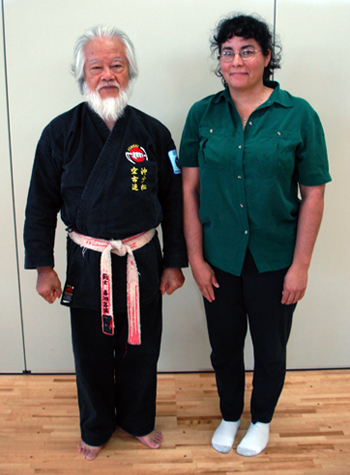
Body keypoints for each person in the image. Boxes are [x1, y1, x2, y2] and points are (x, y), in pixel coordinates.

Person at [24, 26, 187, 461]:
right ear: (82, 75)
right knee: (91, 347)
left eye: (117, 65)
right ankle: (96, 425)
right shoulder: (59, 133)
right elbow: (40, 204)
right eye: (97, 66)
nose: (107, 74)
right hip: (86, 258)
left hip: (142, 256)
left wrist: (175, 262)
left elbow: (173, 203)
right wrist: (44, 266)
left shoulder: (154, 134)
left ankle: (136, 419)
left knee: (140, 342)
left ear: (129, 72)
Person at [179, 14, 331, 457]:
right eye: (227, 52)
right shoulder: (201, 115)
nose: (236, 60)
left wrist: (300, 266)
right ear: (220, 61)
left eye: (247, 50)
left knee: (270, 349)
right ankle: (230, 414)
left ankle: (261, 419)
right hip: (219, 257)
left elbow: (313, 195)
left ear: (267, 57)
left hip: (275, 258)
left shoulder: (299, 115)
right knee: (224, 348)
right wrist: (197, 260)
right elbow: (188, 191)